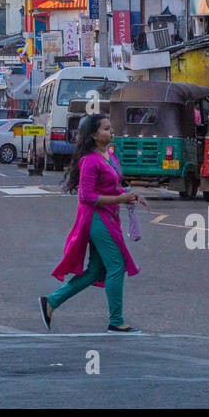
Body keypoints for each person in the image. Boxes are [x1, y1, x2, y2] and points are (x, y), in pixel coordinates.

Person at [40, 113, 141, 333]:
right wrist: (119, 199)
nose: (111, 131)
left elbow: (111, 187)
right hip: (97, 219)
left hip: (109, 218)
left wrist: (129, 194)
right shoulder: (90, 160)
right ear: (94, 135)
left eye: (111, 127)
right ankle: (116, 320)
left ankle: (51, 302)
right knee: (117, 266)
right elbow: (86, 196)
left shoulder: (109, 157)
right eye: (106, 128)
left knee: (96, 271)